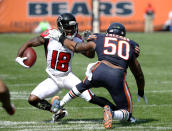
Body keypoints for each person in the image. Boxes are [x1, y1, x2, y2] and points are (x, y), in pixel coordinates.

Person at [15, 13, 121, 122]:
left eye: (73, 27)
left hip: (67, 77)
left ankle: (119, 112)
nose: (71, 30)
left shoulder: (76, 39)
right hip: (53, 78)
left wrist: (89, 42)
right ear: (60, 27)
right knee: (33, 99)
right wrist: (18, 56)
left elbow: (90, 55)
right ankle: (57, 111)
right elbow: (29, 43)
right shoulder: (50, 35)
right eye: (67, 27)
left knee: (91, 97)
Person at [50, 23, 147, 129]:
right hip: (116, 75)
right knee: (127, 112)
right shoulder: (131, 44)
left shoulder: (99, 37)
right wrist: (141, 91)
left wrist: (60, 37)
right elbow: (139, 74)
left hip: (98, 71)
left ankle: (61, 104)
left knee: (82, 86)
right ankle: (112, 114)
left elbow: (76, 47)